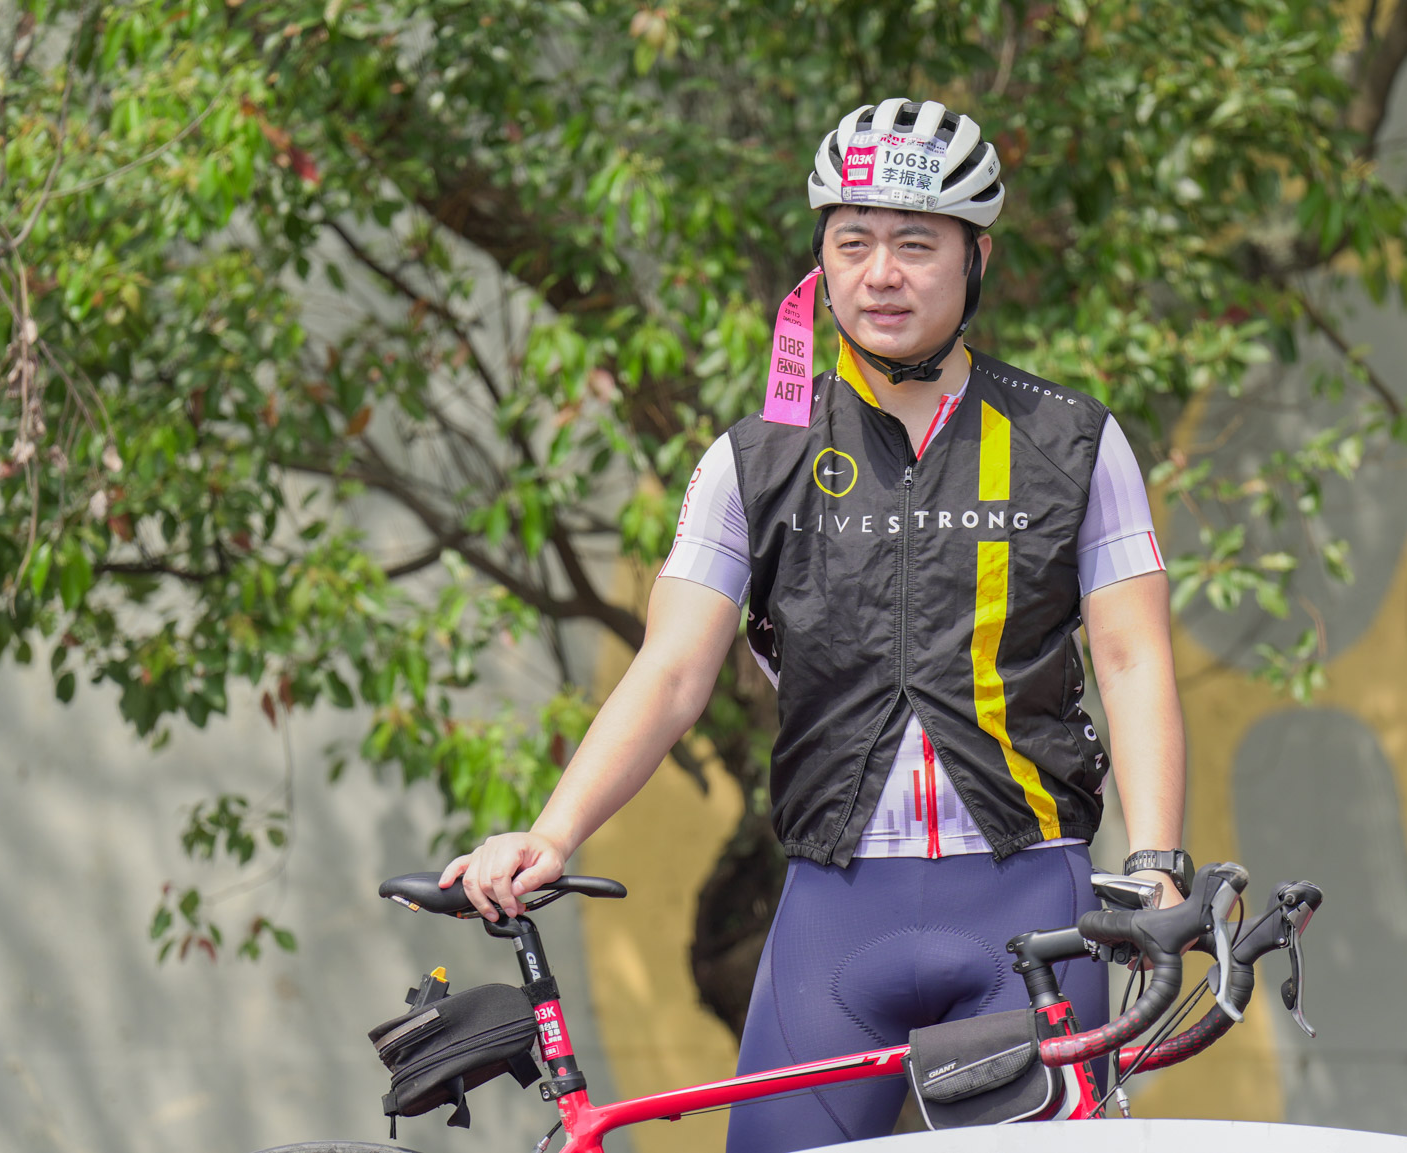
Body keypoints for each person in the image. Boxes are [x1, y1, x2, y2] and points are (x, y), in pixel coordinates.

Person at [440, 98, 1188, 1150]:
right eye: (853, 243)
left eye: (915, 245)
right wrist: (552, 832)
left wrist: (1156, 862)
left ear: (975, 258)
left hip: (1031, 899)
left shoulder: (1072, 441)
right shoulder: (751, 459)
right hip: (833, 911)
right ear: (822, 261)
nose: (881, 274)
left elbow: (1131, 657)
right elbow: (670, 672)